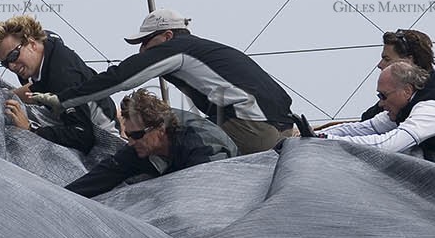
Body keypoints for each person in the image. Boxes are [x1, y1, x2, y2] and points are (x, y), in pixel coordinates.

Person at [29, 9, 298, 155]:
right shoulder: (211, 51)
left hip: (251, 128)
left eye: (146, 42)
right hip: (283, 127)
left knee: (165, 141)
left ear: (168, 35)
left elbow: (122, 77)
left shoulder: (178, 50)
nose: (142, 50)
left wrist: (63, 99)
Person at [65, 90, 237, 198]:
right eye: (129, 135)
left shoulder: (202, 146)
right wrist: (60, 197)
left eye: (137, 135)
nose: (131, 142)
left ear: (160, 128)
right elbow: (105, 175)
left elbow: (212, 192)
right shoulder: (141, 145)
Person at [0, 15, 116, 153]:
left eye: (13, 56)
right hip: (83, 125)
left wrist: (31, 128)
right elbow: (36, 90)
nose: (11, 66)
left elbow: (83, 136)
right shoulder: (43, 55)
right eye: (5, 63)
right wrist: (5, 96)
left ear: (32, 43)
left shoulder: (63, 75)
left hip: (107, 142)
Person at [322, 60, 435, 162]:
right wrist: (318, 134)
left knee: (411, 152)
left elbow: (388, 146)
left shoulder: (433, 110)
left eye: (383, 96)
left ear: (406, 90)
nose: (381, 103)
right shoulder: (404, 105)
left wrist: (330, 141)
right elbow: (362, 128)